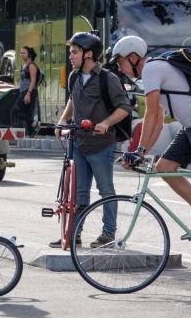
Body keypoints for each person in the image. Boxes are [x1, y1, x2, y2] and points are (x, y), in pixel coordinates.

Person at [114, 35, 191, 261]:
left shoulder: (151, 69)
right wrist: (141, 152)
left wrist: (139, 151)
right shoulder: (154, 71)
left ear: (133, 57)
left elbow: (151, 114)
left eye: (120, 62)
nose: (119, 67)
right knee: (165, 167)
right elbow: (159, 121)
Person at [51, 32, 131, 248]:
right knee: (78, 192)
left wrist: (106, 123)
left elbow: (124, 108)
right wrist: (63, 118)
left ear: (89, 54)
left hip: (101, 145)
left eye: (74, 52)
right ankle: (74, 233)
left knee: (105, 190)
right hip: (78, 142)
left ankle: (108, 234)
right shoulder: (74, 76)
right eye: (71, 52)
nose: (71, 56)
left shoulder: (107, 79)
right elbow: (73, 99)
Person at [10, 45, 40, 136]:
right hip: (23, 91)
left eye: (24, 53)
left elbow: (33, 80)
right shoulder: (24, 65)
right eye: (21, 53)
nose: (21, 55)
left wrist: (28, 93)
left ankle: (34, 123)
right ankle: (32, 132)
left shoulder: (31, 65)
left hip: (29, 91)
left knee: (16, 110)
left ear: (29, 54)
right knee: (27, 112)